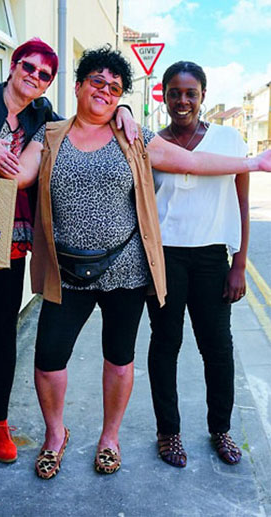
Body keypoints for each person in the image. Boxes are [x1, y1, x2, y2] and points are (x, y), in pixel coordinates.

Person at [0, 45, 271, 479]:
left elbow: (192, 162)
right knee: (48, 360)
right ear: (77, 86)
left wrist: (255, 162)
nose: (105, 91)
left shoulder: (133, 137)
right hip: (66, 271)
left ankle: (110, 437)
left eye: (115, 88)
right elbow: (16, 175)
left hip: (125, 270)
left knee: (119, 358)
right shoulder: (49, 134)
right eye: (97, 81)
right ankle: (56, 434)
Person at [0, 37, 138, 477]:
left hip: (10, 238)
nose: (35, 76)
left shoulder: (43, 117)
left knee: (2, 334)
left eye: (45, 74)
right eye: (29, 66)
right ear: (13, 64)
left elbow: (84, 123)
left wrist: (124, 110)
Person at [147, 61, 248, 468]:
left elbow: (241, 201)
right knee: (165, 344)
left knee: (217, 348)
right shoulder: (153, 144)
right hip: (167, 256)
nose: (182, 101)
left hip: (211, 258)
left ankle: (220, 429)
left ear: (203, 95)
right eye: (174, 92)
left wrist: (239, 261)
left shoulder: (229, 140)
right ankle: (168, 433)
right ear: (164, 96)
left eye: (191, 93)